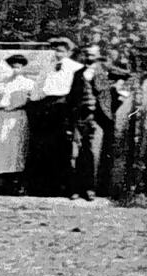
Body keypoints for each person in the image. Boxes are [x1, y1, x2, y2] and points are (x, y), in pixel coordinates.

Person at [29, 37, 87, 197]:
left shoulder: (77, 68)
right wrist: (37, 103)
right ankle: (47, 186)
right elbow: (38, 89)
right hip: (47, 108)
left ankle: (67, 187)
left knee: (64, 147)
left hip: (64, 108)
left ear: (69, 52)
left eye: (61, 51)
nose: (58, 54)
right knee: (46, 147)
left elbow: (77, 93)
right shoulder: (48, 67)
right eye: (56, 50)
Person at [0, 55, 35, 194]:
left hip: (18, 117)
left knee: (16, 149)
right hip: (3, 117)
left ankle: (15, 182)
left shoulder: (28, 83)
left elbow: (32, 101)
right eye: (13, 67)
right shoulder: (2, 84)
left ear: (23, 68)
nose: (15, 69)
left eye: (18, 67)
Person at [77, 42, 116, 201]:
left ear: (98, 55)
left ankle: (92, 188)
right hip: (81, 116)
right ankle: (79, 188)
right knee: (80, 151)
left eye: (92, 54)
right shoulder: (79, 71)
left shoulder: (104, 70)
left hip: (98, 117)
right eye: (87, 54)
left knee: (94, 152)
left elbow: (125, 76)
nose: (89, 57)